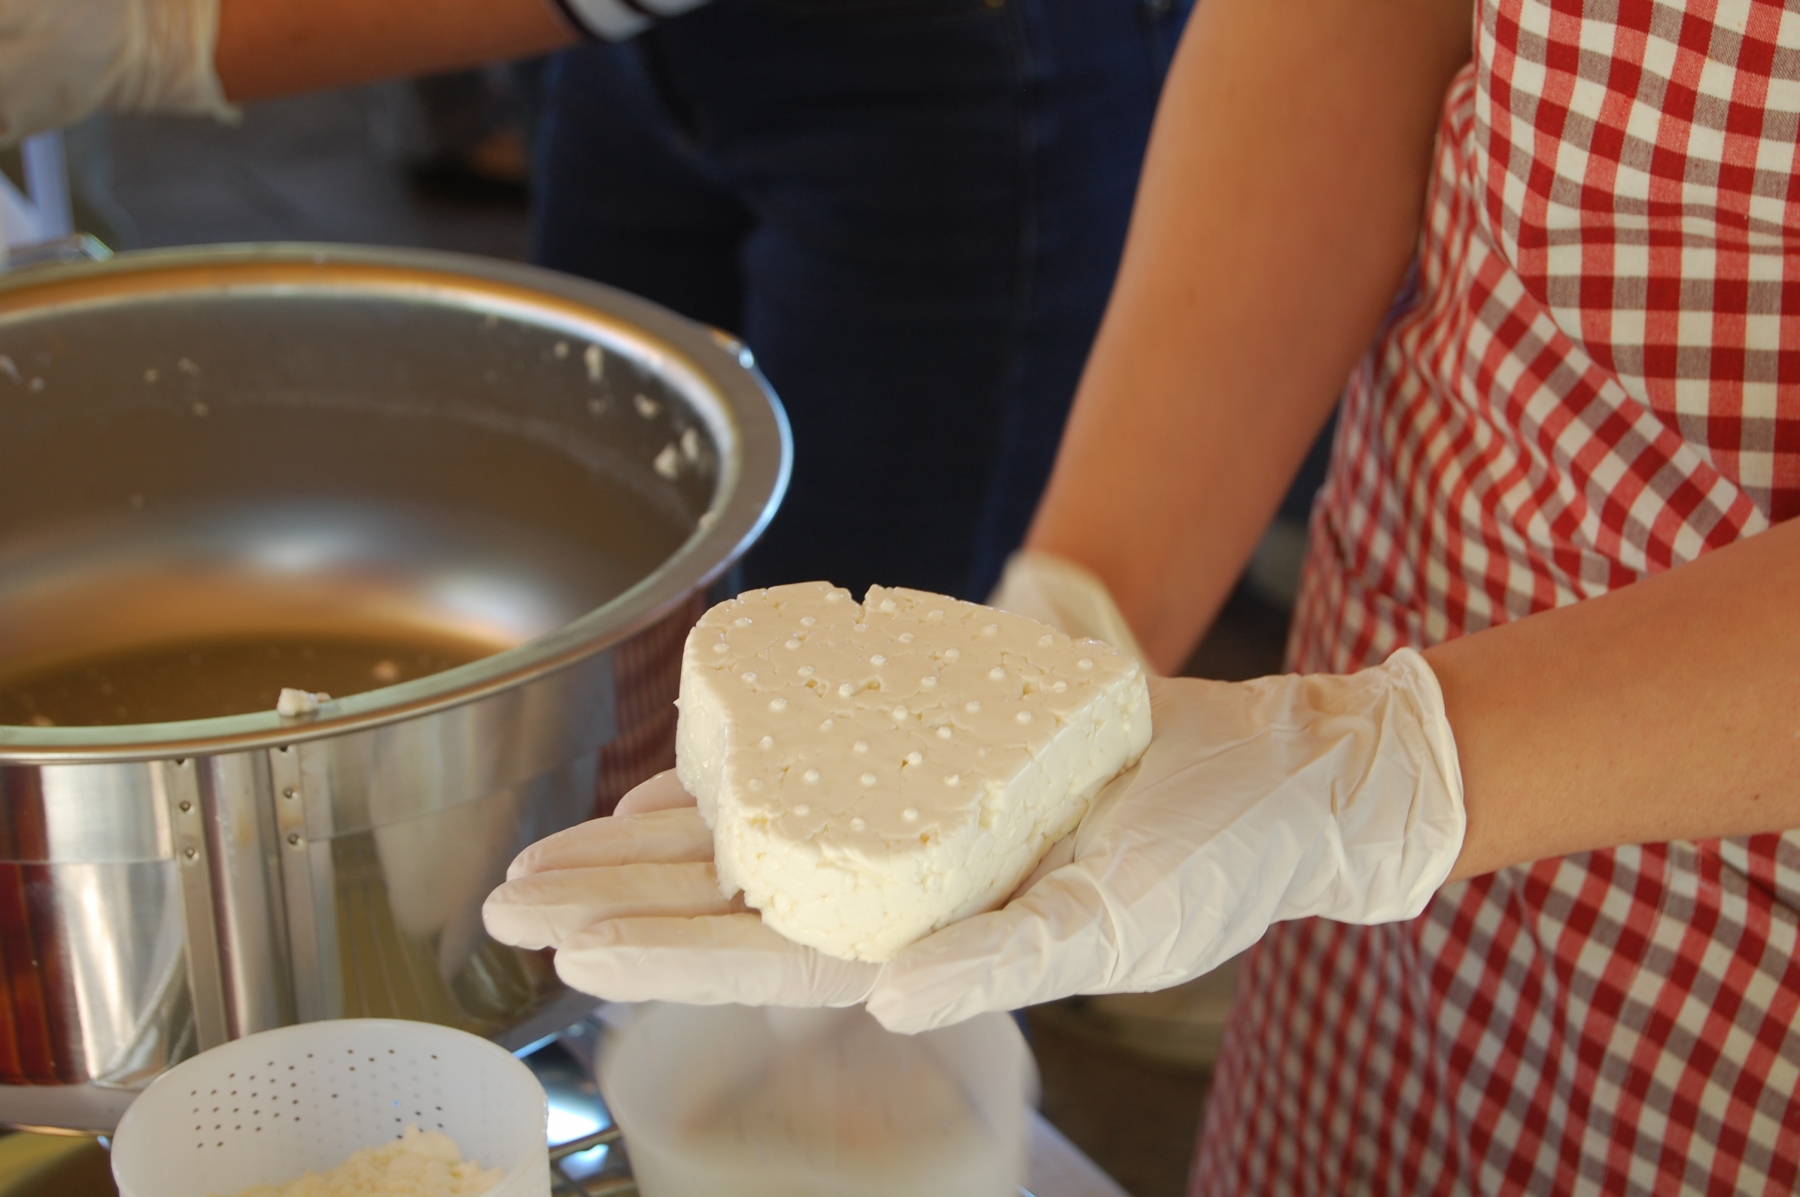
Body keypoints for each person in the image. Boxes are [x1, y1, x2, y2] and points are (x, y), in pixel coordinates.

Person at [484, 0, 1800, 1190]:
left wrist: (1386, 768)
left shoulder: (1353, 777)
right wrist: (1076, 631)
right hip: (1433, 587)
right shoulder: (1316, 770)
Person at [0, 0, 1193, 601]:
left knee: (877, 653)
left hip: (957, 62)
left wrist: (162, 34)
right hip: (624, 51)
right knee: (606, 550)